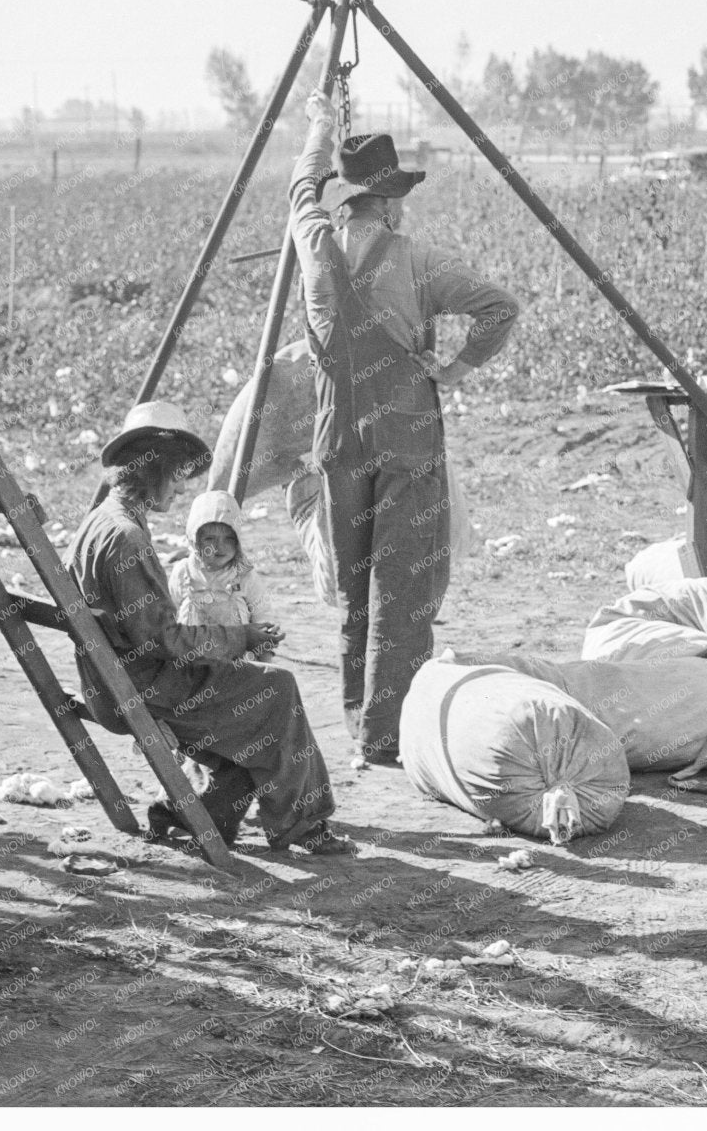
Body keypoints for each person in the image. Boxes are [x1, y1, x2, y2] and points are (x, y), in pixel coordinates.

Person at [290, 88, 520, 768]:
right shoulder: (418, 260)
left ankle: (360, 717)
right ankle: (388, 734)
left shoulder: (310, 233)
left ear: (345, 199)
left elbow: (303, 180)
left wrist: (319, 122)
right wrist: (452, 370)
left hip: (338, 435)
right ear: (388, 203)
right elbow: (499, 310)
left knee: (356, 579)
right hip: (405, 432)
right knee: (403, 581)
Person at [68, 400, 351, 855]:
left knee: (250, 726)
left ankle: (193, 816)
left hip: (112, 680)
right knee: (277, 690)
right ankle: (304, 826)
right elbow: (164, 640)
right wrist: (242, 637)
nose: (180, 489)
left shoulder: (99, 521)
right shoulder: (126, 536)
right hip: (144, 686)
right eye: (177, 474)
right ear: (153, 468)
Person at [166, 489, 282, 664]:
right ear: (194, 539)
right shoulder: (183, 573)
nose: (219, 546)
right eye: (210, 539)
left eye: (228, 539)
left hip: (237, 665)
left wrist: (266, 665)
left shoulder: (244, 575)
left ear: (238, 540)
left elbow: (262, 617)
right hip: (191, 665)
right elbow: (167, 620)